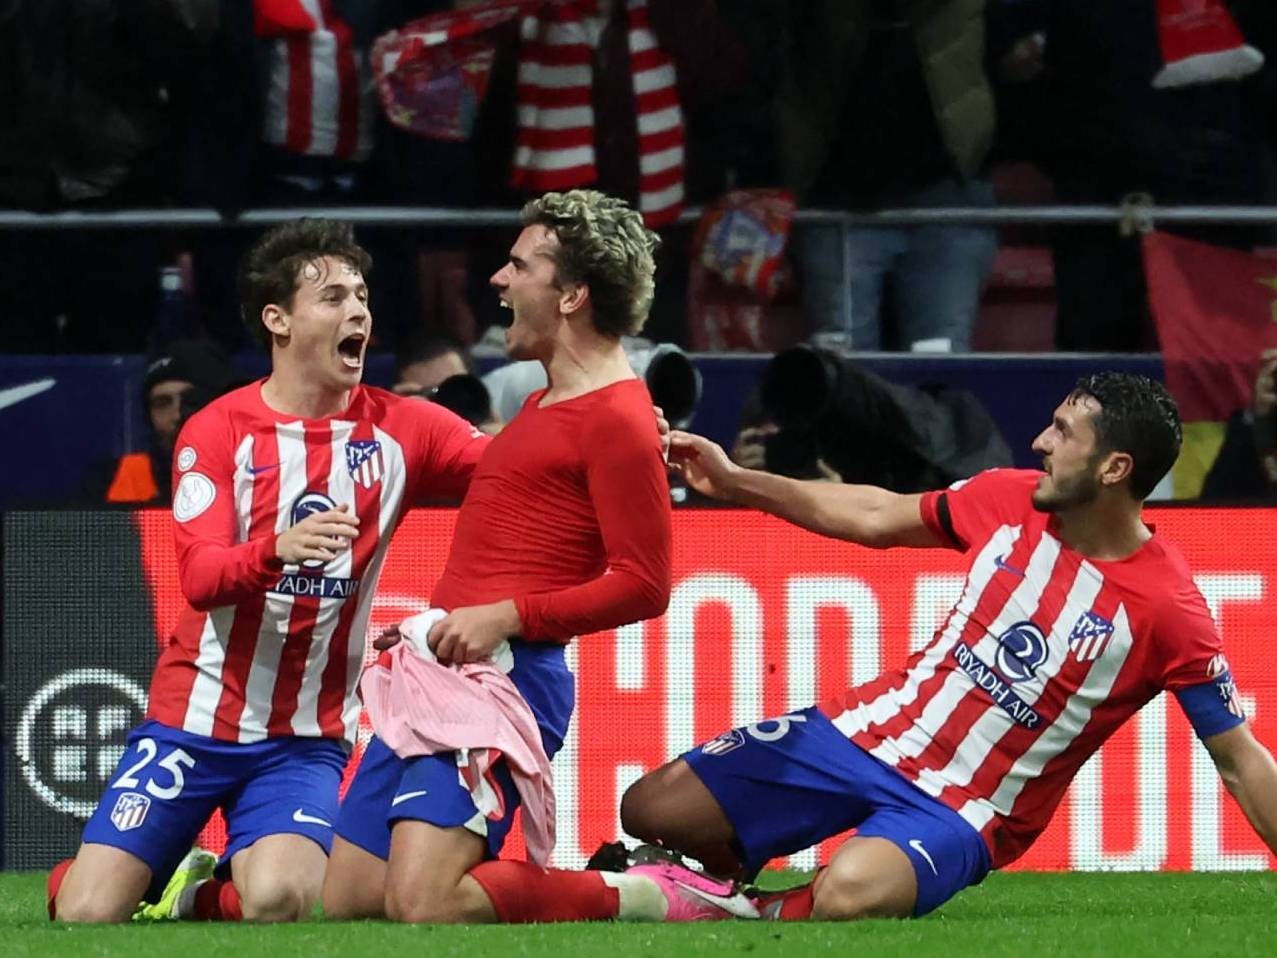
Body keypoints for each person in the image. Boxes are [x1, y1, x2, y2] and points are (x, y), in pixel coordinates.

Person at [615, 372, 1277, 920]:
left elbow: (1237, 759)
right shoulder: (1005, 498)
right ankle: (722, 876)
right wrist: (734, 483)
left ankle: (735, 909)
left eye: (1063, 432)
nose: (1040, 440)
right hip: (869, 732)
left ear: (1114, 468)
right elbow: (876, 515)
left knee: (849, 893)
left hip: (967, 806)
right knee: (648, 808)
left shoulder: (1166, 608)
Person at [47, 217, 492, 923]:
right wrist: (275, 550)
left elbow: (515, 470)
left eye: (363, 297)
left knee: (279, 900)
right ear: (277, 319)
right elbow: (199, 578)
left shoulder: (405, 429)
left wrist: (606, 432)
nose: (357, 312)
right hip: (193, 723)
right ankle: (129, 870)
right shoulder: (218, 430)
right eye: (334, 297)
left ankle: (196, 891)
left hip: (302, 739)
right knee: (84, 916)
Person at [320, 189, 688, 925]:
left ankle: (644, 893)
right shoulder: (545, 405)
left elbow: (646, 586)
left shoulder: (618, 416)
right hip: (437, 675)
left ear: (573, 295)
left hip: (507, 683)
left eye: (520, 266)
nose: (499, 278)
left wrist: (507, 615)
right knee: (347, 900)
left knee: (423, 904)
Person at [95, 338, 235, 505]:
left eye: (191, 401)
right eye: (162, 403)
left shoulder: (254, 477)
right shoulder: (115, 479)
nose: (177, 415)